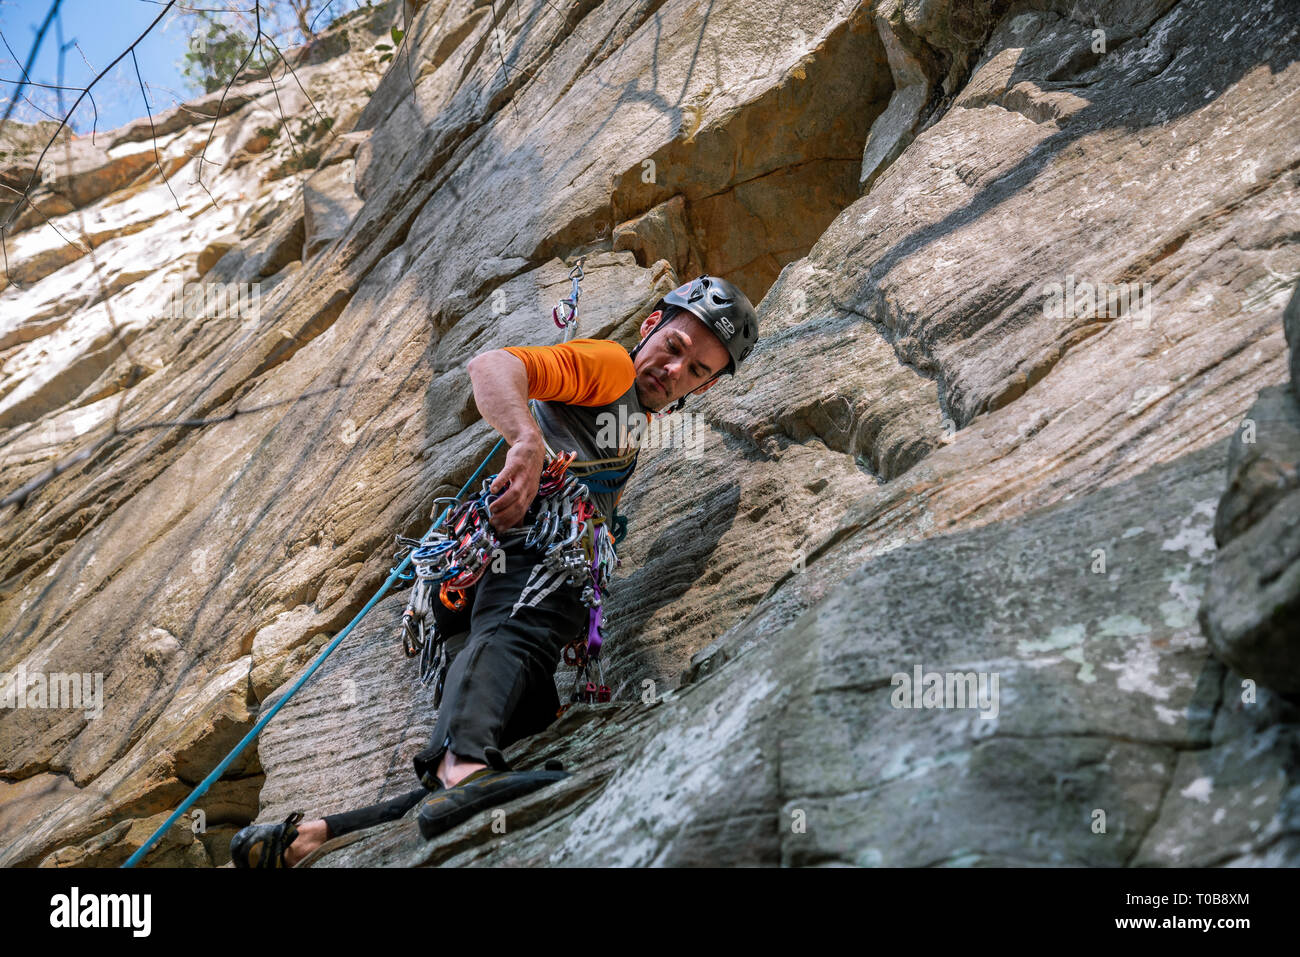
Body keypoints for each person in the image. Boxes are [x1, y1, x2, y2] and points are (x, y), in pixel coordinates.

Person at [230, 276, 759, 866]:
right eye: (676, 346)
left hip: (482, 573)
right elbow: (493, 366)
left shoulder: (633, 418)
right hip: (533, 548)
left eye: (696, 370)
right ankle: (462, 770)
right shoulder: (609, 365)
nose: (674, 370)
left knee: (524, 733)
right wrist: (526, 442)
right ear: (649, 327)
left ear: (707, 385)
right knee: (516, 640)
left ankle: (311, 838)